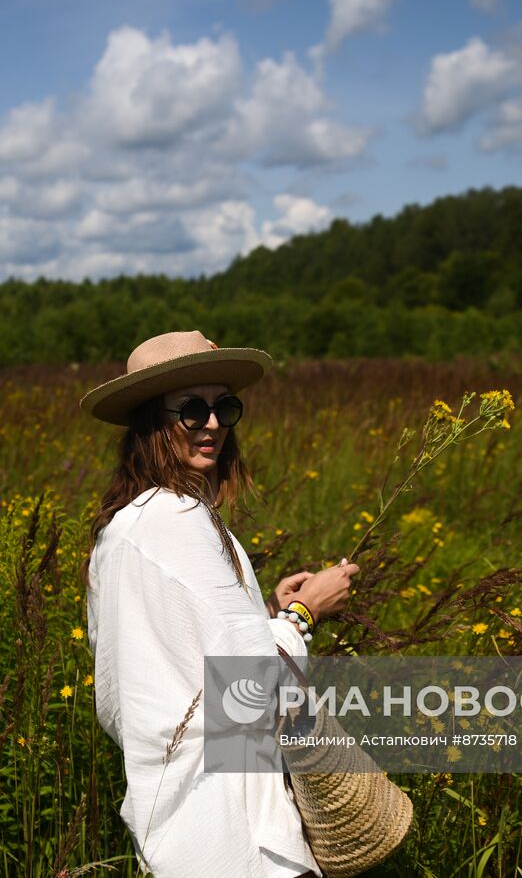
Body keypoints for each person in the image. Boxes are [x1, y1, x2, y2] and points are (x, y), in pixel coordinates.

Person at [81, 330, 359, 878]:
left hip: (178, 822)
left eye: (223, 407)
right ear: (150, 421)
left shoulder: (131, 525)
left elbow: (140, 683)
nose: (212, 424)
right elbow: (257, 686)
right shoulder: (176, 524)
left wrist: (268, 615)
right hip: (234, 829)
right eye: (191, 409)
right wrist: (306, 614)